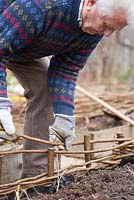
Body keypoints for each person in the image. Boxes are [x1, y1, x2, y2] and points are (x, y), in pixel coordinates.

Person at [0, 0, 133, 197]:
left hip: (23, 45)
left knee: (44, 89)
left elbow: (66, 69)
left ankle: (37, 178)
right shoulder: (40, 6)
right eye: (106, 25)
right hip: (5, 36)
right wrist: (2, 101)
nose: (107, 34)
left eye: (114, 29)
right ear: (90, 3)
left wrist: (64, 116)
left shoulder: (92, 30)